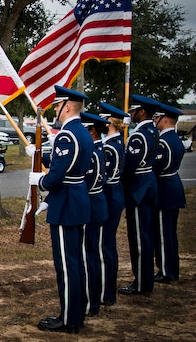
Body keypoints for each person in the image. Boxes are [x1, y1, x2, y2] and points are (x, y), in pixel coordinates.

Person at [28, 86, 93, 334]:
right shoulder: (83, 133)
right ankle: (76, 312)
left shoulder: (67, 136)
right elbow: (70, 167)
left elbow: (56, 177)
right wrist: (41, 157)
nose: (55, 109)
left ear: (67, 106)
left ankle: (69, 319)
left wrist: (39, 181)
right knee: (75, 262)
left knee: (66, 265)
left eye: (57, 105)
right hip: (76, 201)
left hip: (67, 204)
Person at [119, 94, 161, 296]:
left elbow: (130, 168)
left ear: (142, 111)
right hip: (149, 183)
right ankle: (145, 279)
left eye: (134, 111)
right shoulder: (153, 131)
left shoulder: (139, 135)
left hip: (139, 188)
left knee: (139, 237)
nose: (131, 114)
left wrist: (123, 185)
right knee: (145, 234)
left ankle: (142, 282)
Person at [98, 102, 129, 306]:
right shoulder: (117, 143)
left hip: (109, 196)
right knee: (107, 244)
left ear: (109, 122)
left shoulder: (110, 147)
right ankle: (107, 290)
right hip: (115, 195)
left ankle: (106, 291)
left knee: (105, 245)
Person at [152, 102, 186, 284]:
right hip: (173, 186)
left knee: (164, 233)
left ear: (165, 119)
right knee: (169, 233)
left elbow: (157, 166)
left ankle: (166, 271)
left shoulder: (164, 142)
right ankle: (171, 268)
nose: (155, 120)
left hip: (165, 188)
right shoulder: (174, 139)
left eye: (157, 118)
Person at [80, 112, 109, 317]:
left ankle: (91, 302)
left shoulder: (93, 153)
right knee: (92, 254)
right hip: (97, 204)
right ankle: (94, 298)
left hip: (91, 206)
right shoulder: (98, 150)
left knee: (90, 255)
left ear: (92, 131)